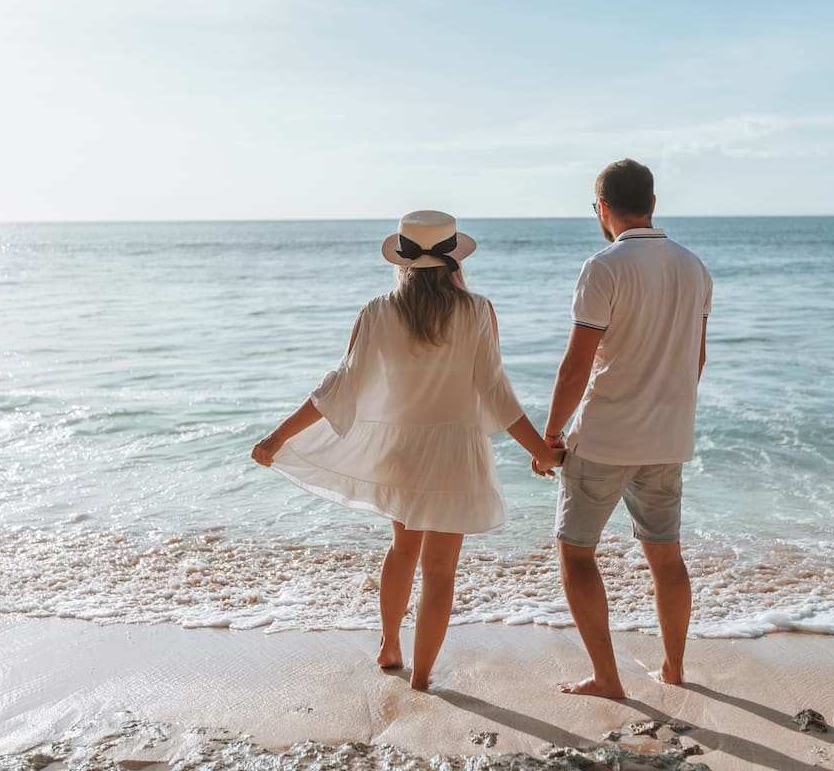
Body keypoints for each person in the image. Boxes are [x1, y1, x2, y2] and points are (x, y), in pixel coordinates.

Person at [251, 210, 565, 691]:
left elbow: (338, 388)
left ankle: (389, 645)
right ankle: (420, 678)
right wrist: (542, 451)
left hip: (401, 452)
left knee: (402, 550)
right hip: (456, 456)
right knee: (440, 571)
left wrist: (279, 436)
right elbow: (496, 393)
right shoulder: (477, 309)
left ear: (401, 261)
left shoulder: (377, 311)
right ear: (452, 259)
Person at [539, 159, 712, 698]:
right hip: (668, 436)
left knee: (576, 552)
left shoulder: (604, 266)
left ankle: (608, 678)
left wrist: (550, 437)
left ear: (604, 208)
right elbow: (696, 359)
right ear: (653, 204)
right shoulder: (695, 267)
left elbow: (576, 366)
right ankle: (674, 668)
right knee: (666, 556)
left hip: (608, 436)